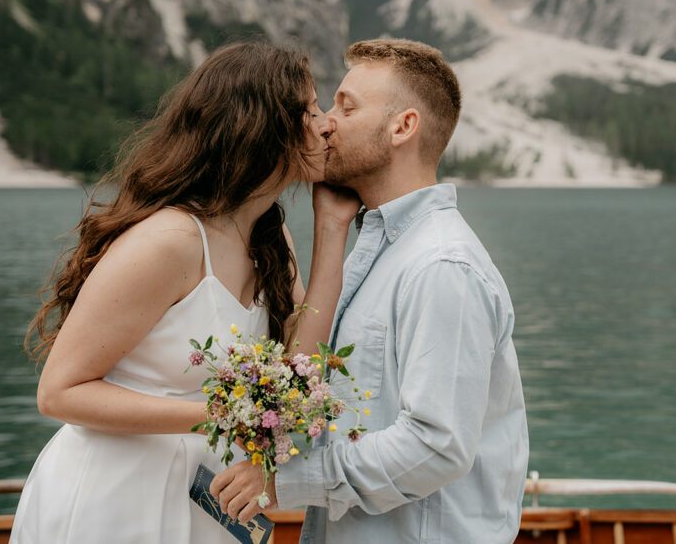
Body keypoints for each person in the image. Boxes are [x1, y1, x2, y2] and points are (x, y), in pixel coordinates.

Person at [9, 42, 360, 544]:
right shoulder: (170, 241)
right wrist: (220, 416)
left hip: (203, 500)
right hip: (117, 499)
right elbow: (59, 392)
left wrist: (331, 231)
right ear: (262, 127)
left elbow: (297, 373)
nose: (326, 123)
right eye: (308, 110)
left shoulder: (269, 239)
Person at [210, 39, 529, 543]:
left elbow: (437, 443)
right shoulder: (376, 247)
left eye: (347, 106)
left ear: (403, 127)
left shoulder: (442, 266)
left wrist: (282, 478)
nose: (325, 122)